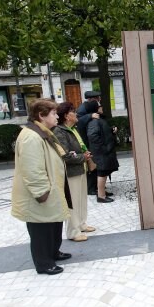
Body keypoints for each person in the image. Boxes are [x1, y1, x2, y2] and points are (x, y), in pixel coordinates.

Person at [11, 98, 72, 275]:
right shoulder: (31, 136)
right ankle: (44, 263)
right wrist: (41, 193)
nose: (57, 116)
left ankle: (53, 252)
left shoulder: (43, 131)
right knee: (41, 230)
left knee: (53, 225)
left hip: (52, 190)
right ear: (41, 115)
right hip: (41, 194)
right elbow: (32, 169)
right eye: (53, 113)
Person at [54, 102, 96, 242]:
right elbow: (65, 155)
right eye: (73, 111)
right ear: (66, 116)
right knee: (73, 201)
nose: (76, 113)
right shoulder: (59, 131)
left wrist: (84, 155)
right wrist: (82, 157)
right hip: (71, 172)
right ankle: (73, 231)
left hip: (80, 169)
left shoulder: (72, 128)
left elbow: (78, 148)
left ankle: (81, 224)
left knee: (81, 199)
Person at [86, 101, 119, 203]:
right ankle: (101, 196)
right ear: (95, 108)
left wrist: (110, 130)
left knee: (104, 172)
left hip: (103, 151)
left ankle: (102, 192)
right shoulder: (94, 121)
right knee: (102, 172)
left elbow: (101, 132)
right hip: (101, 152)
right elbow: (93, 136)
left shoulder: (98, 120)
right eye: (100, 106)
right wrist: (104, 148)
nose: (102, 107)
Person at [76, 90, 103, 196]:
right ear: (93, 99)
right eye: (98, 98)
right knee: (91, 164)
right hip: (85, 140)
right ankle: (91, 188)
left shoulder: (89, 106)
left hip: (88, 139)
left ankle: (96, 186)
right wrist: (90, 116)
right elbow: (79, 121)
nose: (99, 100)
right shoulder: (83, 108)